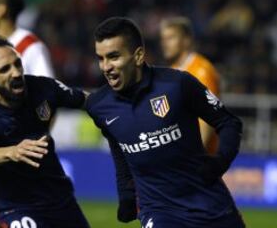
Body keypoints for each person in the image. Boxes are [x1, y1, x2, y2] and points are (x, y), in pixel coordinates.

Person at [86, 17, 245, 228]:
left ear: (139, 56)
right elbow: (120, 149)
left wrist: (220, 161)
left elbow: (229, 122)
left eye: (113, 57)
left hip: (210, 205)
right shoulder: (99, 106)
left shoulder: (177, 84)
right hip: (159, 212)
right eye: (101, 58)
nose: (106, 67)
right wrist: (126, 194)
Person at [0, 36, 89, 228]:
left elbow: (88, 101)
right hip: (15, 206)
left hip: (59, 200)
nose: (16, 73)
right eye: (5, 69)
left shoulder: (43, 88)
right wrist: (12, 151)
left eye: (17, 64)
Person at [0, 0, 54, 227]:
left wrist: (35, 142)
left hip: (19, 151)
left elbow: (48, 99)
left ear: (1, 9)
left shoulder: (30, 47)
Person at [160, 17, 220, 155]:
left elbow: (207, 119)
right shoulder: (172, 71)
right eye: (163, 39)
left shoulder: (201, 70)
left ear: (186, 41)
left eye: (171, 38)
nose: (165, 44)